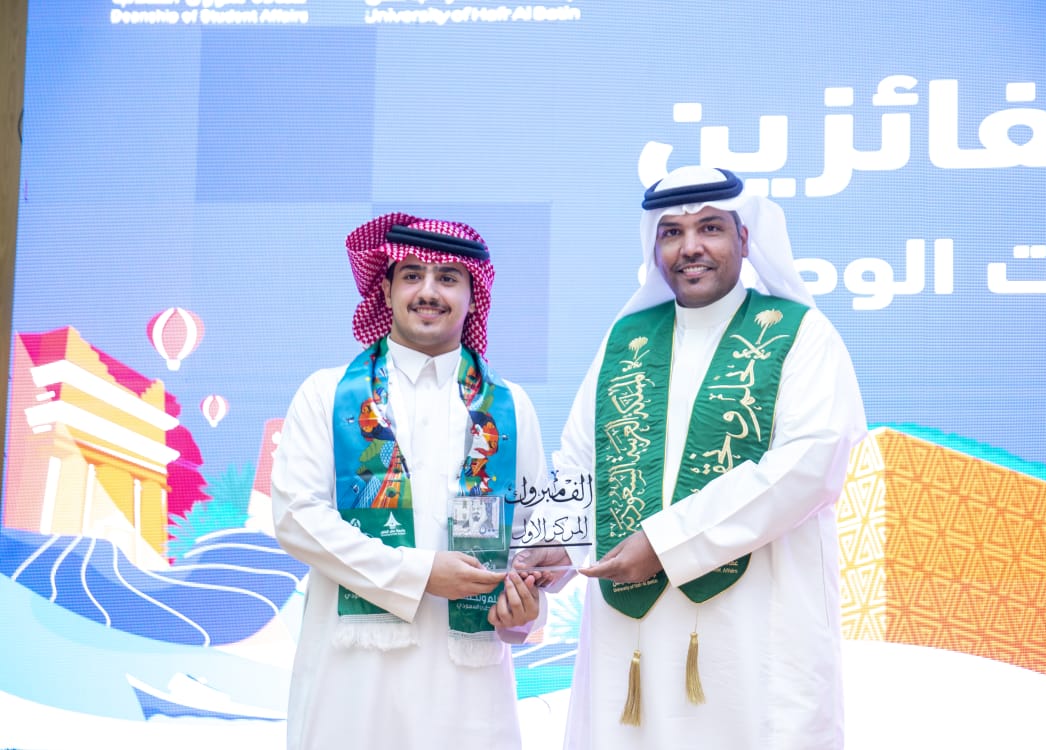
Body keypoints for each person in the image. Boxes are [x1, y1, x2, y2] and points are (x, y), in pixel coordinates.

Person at [552, 166, 867, 749]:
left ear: (745, 238)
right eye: (671, 232)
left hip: (757, 631)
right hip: (630, 638)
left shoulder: (802, 333)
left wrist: (665, 544)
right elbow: (578, 465)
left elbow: (808, 467)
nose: (690, 247)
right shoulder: (627, 341)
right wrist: (553, 551)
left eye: (711, 228)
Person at [271, 212, 548, 749]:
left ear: (474, 295)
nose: (428, 291)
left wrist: (523, 609)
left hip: (469, 692)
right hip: (351, 685)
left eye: (448, 277)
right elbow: (297, 519)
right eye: (412, 275)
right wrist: (419, 574)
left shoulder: (511, 407)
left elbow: (530, 542)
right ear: (385, 290)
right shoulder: (326, 394)